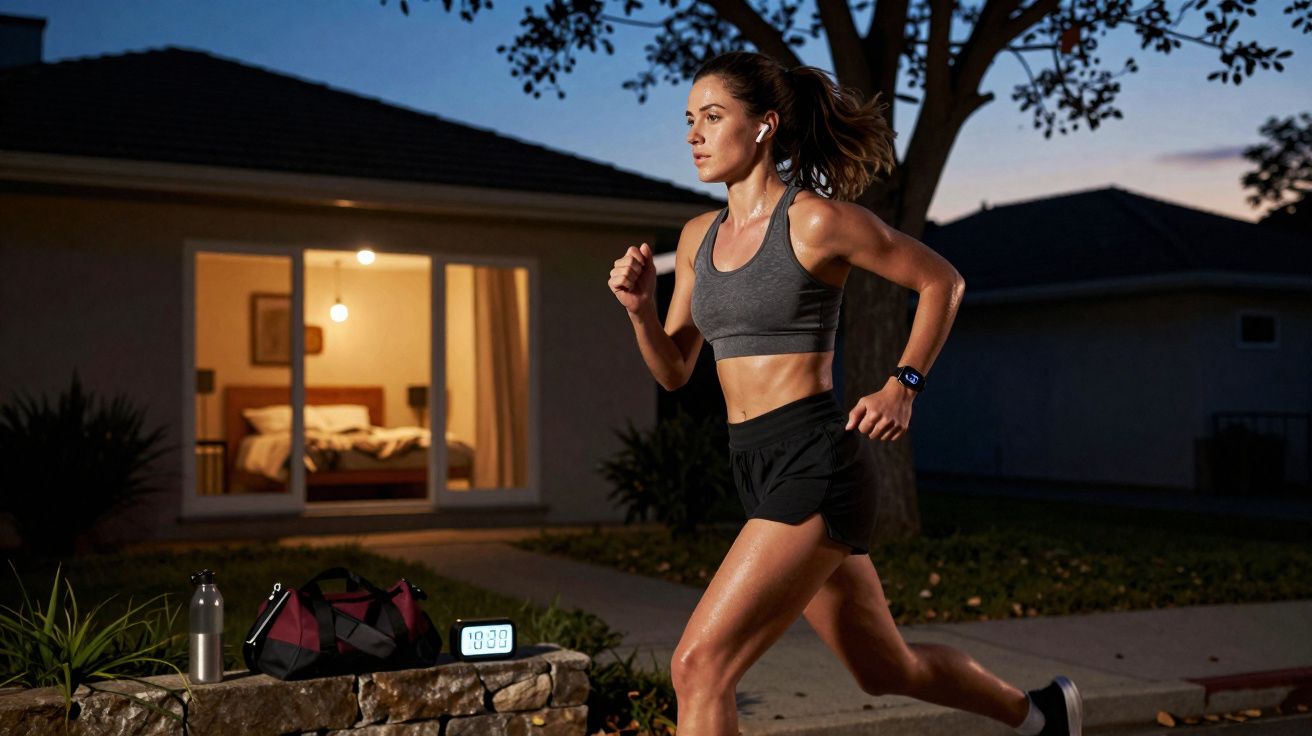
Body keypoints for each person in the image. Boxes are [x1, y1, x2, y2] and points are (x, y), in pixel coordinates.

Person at [607, 50, 1083, 736]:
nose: (694, 134)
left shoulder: (814, 222)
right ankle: (1041, 716)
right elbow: (676, 371)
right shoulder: (695, 238)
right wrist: (639, 310)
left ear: (765, 126)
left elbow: (940, 282)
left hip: (814, 462)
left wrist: (903, 383)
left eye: (713, 117)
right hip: (755, 464)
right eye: (689, 120)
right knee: (885, 668)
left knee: (699, 666)